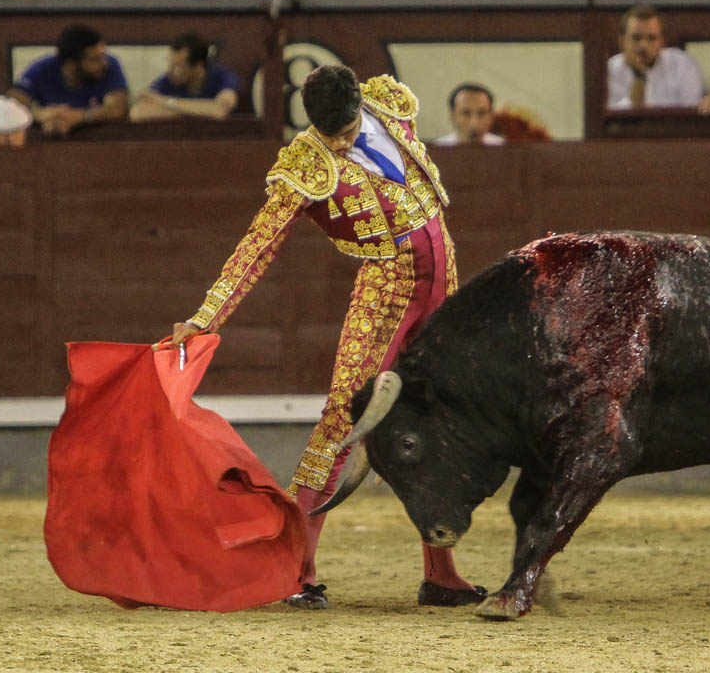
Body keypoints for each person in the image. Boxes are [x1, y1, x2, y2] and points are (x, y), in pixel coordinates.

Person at [154, 64, 483, 610]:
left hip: (442, 279)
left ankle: (441, 575)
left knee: (436, 418)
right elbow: (257, 245)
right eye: (331, 135)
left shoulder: (387, 102)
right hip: (386, 290)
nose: (341, 141)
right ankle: (295, 570)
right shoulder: (306, 163)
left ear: (360, 105)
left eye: (348, 129)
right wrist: (205, 318)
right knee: (344, 417)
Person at [7, 23, 128, 136]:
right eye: (94, 59)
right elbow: (11, 104)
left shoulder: (110, 66)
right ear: (71, 64)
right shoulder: (42, 68)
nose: (104, 63)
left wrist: (80, 117)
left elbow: (117, 109)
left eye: (103, 55)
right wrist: (41, 115)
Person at [607, 4, 704, 109]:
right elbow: (605, 119)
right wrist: (635, 95)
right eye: (636, 38)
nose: (643, 46)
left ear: (661, 42)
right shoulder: (608, 71)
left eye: (652, 38)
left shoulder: (681, 64)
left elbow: (691, 114)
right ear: (622, 41)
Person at [130, 32, 241, 121]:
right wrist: (198, 111)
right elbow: (138, 112)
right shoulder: (168, 80)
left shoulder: (223, 77)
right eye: (170, 64)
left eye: (178, 68)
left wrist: (167, 102)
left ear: (198, 67)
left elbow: (220, 109)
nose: (170, 71)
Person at [431, 83, 507, 145]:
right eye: (466, 113)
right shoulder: (436, 152)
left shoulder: (504, 150)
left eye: (482, 113)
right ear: (452, 115)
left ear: (491, 115)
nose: (474, 122)